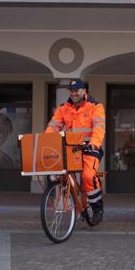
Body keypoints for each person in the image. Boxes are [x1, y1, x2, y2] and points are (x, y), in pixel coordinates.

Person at [45, 79, 106, 224]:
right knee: (54, 171)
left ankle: (97, 208)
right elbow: (52, 128)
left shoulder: (95, 106)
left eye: (76, 90)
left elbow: (99, 128)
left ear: (84, 91)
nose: (73, 93)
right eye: (71, 91)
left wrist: (94, 144)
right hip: (71, 148)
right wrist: (45, 142)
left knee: (87, 176)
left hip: (90, 148)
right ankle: (73, 200)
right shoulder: (63, 108)